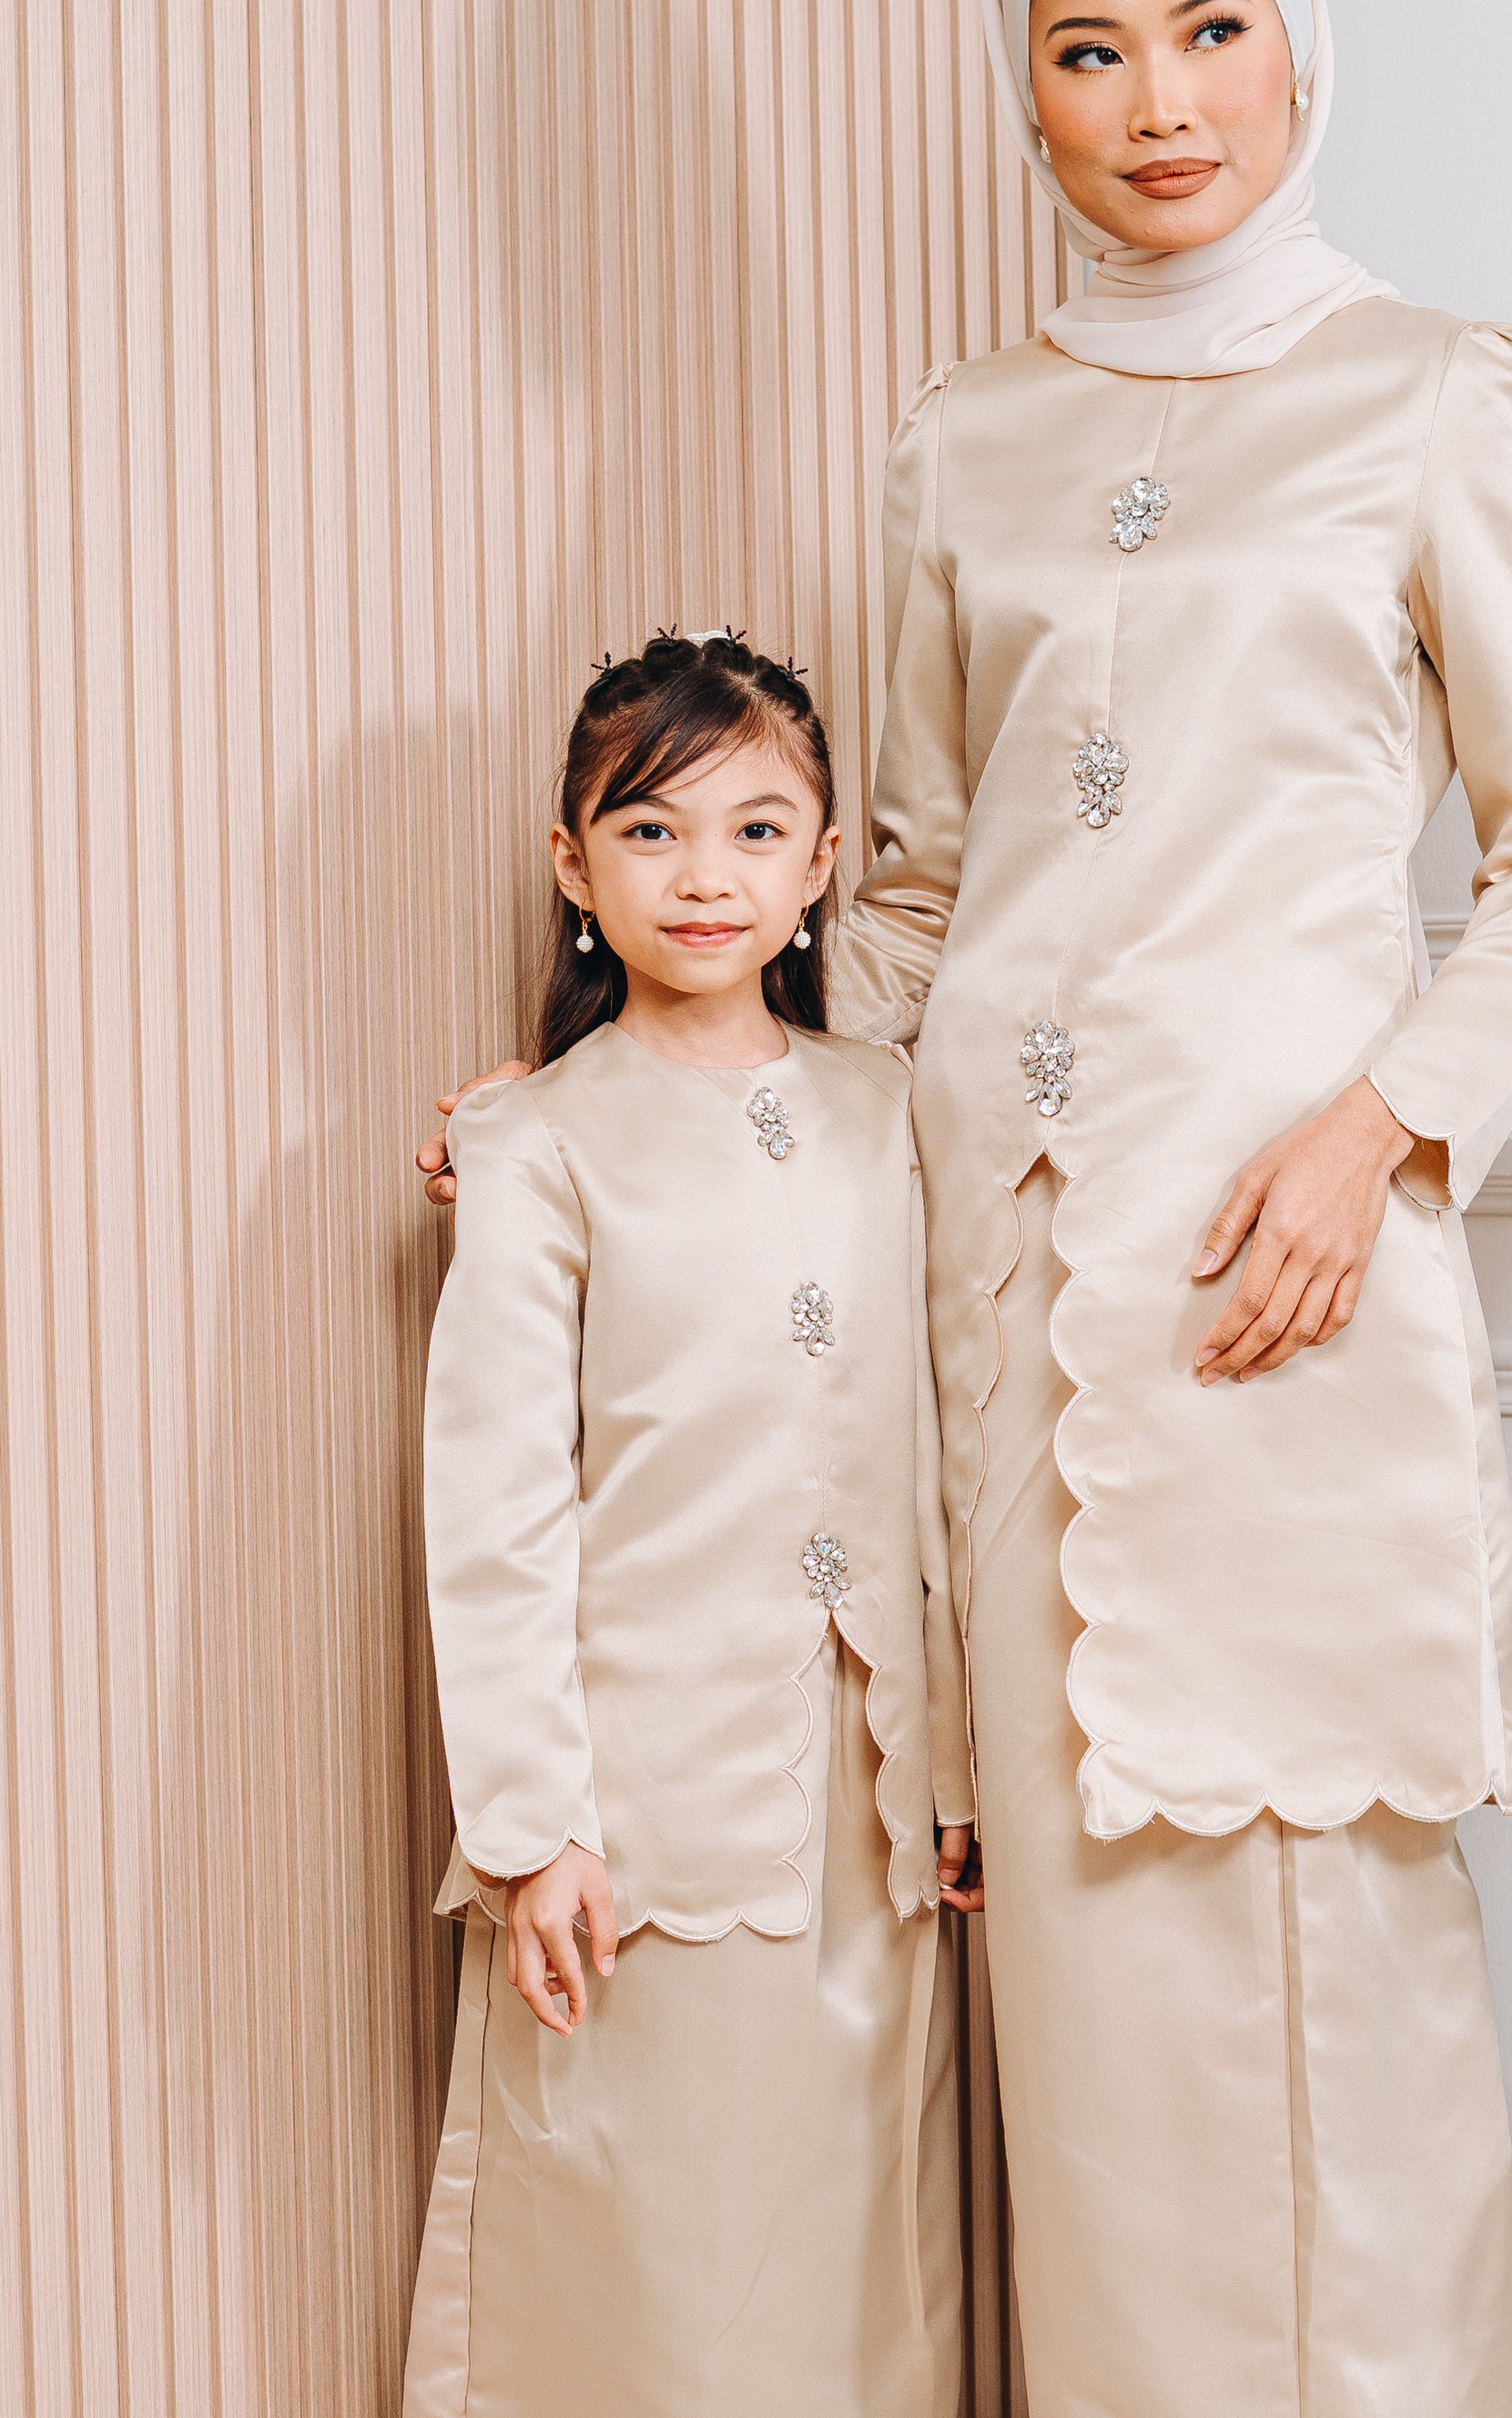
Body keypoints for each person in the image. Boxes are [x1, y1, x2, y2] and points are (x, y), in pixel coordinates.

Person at [421, 0, 1512, 2416]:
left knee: (1329, 2018)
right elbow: (913, 889)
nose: (1158, 102)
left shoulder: (1443, 393)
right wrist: (619, 1098)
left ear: (1301, 47)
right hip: (991, 1321)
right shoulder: (963, 435)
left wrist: (1379, 1131)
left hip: (1281, 1291)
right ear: (1027, 98)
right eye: (1091, 54)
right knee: (1084, 2060)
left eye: (1210, 33)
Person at [403, 635, 979, 2418]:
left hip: (869, 1810)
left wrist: (954, 1762)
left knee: (860, 2278)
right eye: (650, 831)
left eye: (756, 829)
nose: (705, 875)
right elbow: (497, 1505)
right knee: (656, 2280)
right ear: (573, 867)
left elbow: (931, 1459)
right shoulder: (539, 1142)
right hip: (638, 1814)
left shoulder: (890, 1112)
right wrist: (529, 1829)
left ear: (822, 867)